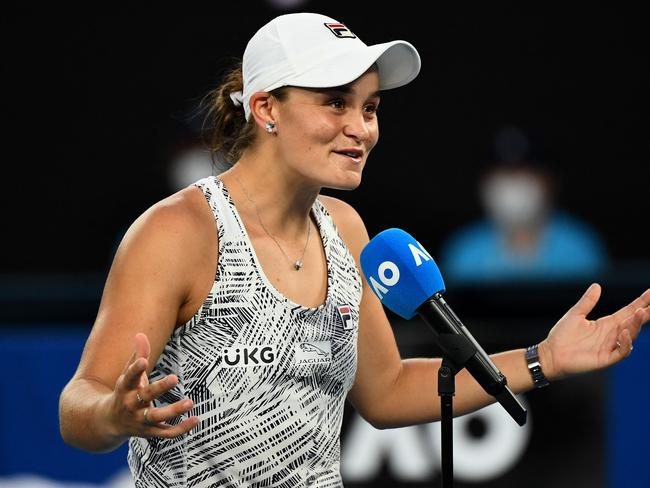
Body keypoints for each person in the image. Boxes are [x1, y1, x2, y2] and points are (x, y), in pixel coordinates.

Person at [58, 12, 649, 487]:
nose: (361, 128)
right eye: (335, 103)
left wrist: (543, 358)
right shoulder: (177, 231)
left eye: (369, 108)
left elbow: (386, 390)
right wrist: (114, 413)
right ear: (265, 108)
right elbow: (78, 403)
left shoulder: (346, 228)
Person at [441, 127, 608, 284]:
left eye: (524, 175)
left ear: (548, 183)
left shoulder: (579, 246)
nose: (514, 186)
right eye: (504, 176)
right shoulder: (464, 250)